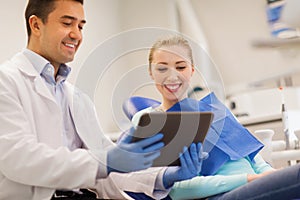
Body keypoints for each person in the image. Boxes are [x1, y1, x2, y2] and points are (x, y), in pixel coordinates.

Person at [0, 1, 206, 200]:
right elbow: (18, 158)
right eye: (67, 23)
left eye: (80, 26)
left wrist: (167, 176)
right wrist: (106, 161)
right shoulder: (6, 81)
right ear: (36, 25)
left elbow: (111, 166)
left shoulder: (76, 97)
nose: (76, 34)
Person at [129, 34, 300, 200]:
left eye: (180, 67)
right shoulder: (148, 120)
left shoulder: (213, 109)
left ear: (192, 71)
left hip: (258, 185)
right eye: (162, 68)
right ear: (151, 72)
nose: (172, 75)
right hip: (223, 194)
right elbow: (175, 189)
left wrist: (269, 174)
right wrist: (248, 179)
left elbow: (252, 157)